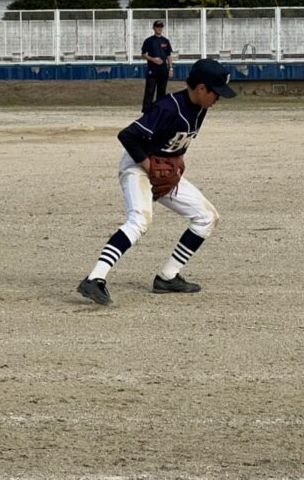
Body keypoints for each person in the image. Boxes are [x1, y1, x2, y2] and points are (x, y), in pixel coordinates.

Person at [77, 58, 237, 306]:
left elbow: (175, 141)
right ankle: (94, 279)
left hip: (164, 171)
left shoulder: (201, 108)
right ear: (201, 88)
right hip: (137, 167)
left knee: (207, 217)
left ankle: (167, 277)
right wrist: (150, 167)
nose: (218, 99)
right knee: (140, 220)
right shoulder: (167, 107)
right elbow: (127, 135)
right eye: (216, 92)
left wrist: (177, 161)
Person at [140, 19, 173, 113]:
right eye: (157, 27)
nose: (159, 29)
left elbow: (169, 55)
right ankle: (146, 111)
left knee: (162, 91)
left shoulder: (165, 41)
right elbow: (143, 54)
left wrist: (171, 68)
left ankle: (159, 110)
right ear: (154, 28)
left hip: (163, 70)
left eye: (161, 27)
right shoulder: (149, 41)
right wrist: (153, 59)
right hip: (152, 69)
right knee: (150, 90)